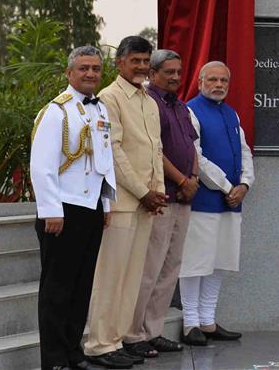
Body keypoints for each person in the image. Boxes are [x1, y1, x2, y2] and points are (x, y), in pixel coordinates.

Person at [31, 45, 117, 370]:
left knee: (81, 287)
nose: (91, 73)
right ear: (70, 73)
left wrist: (106, 202)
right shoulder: (55, 111)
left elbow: (104, 161)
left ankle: (73, 352)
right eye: (84, 68)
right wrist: (50, 209)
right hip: (62, 211)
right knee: (57, 290)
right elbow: (42, 166)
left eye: (95, 68)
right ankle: (53, 360)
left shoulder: (100, 110)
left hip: (90, 207)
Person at [85, 35, 165, 368]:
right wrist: (143, 192)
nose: (142, 68)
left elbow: (155, 150)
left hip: (146, 203)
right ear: (120, 63)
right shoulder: (109, 98)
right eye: (136, 61)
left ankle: (118, 340)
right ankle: (100, 343)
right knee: (111, 276)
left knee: (132, 277)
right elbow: (113, 152)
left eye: (146, 61)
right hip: (120, 201)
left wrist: (157, 191)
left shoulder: (149, 100)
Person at [125, 50, 198, 358]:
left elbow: (191, 146)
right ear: (153, 74)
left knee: (171, 267)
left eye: (179, 72)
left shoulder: (180, 106)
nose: (175, 77)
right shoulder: (149, 103)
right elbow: (156, 151)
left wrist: (192, 178)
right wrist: (182, 181)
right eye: (169, 72)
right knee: (150, 267)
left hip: (184, 197)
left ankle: (153, 331)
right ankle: (134, 333)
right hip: (162, 196)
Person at [180, 61, 254, 345]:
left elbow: (245, 151)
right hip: (204, 200)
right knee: (195, 261)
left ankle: (208, 320)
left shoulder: (232, 114)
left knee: (219, 261)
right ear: (200, 82)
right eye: (212, 79)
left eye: (224, 80)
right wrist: (226, 186)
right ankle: (190, 323)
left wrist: (245, 184)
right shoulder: (191, 110)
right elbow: (196, 156)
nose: (219, 84)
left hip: (232, 201)